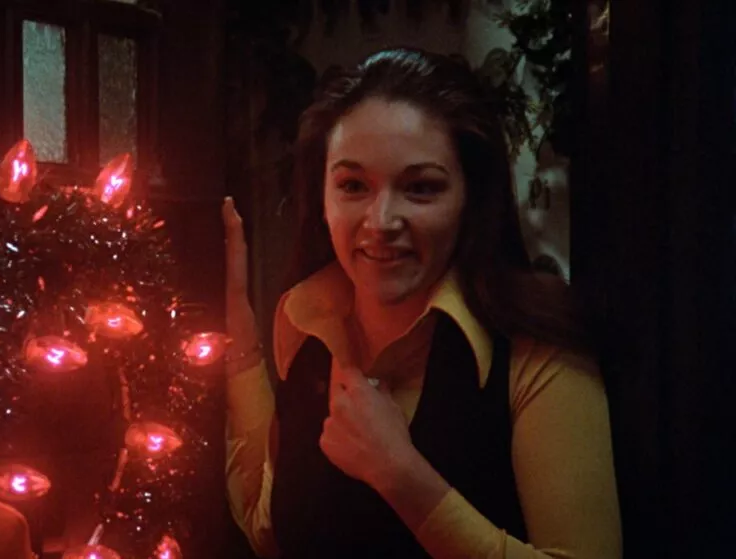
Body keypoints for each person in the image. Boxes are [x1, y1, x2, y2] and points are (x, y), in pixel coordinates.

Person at [222, 48, 621, 558]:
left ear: (471, 200)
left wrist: (402, 476)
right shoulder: (305, 324)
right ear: (321, 198)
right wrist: (238, 331)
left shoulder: (535, 350)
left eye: (420, 188)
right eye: (352, 186)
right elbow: (269, 529)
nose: (381, 221)